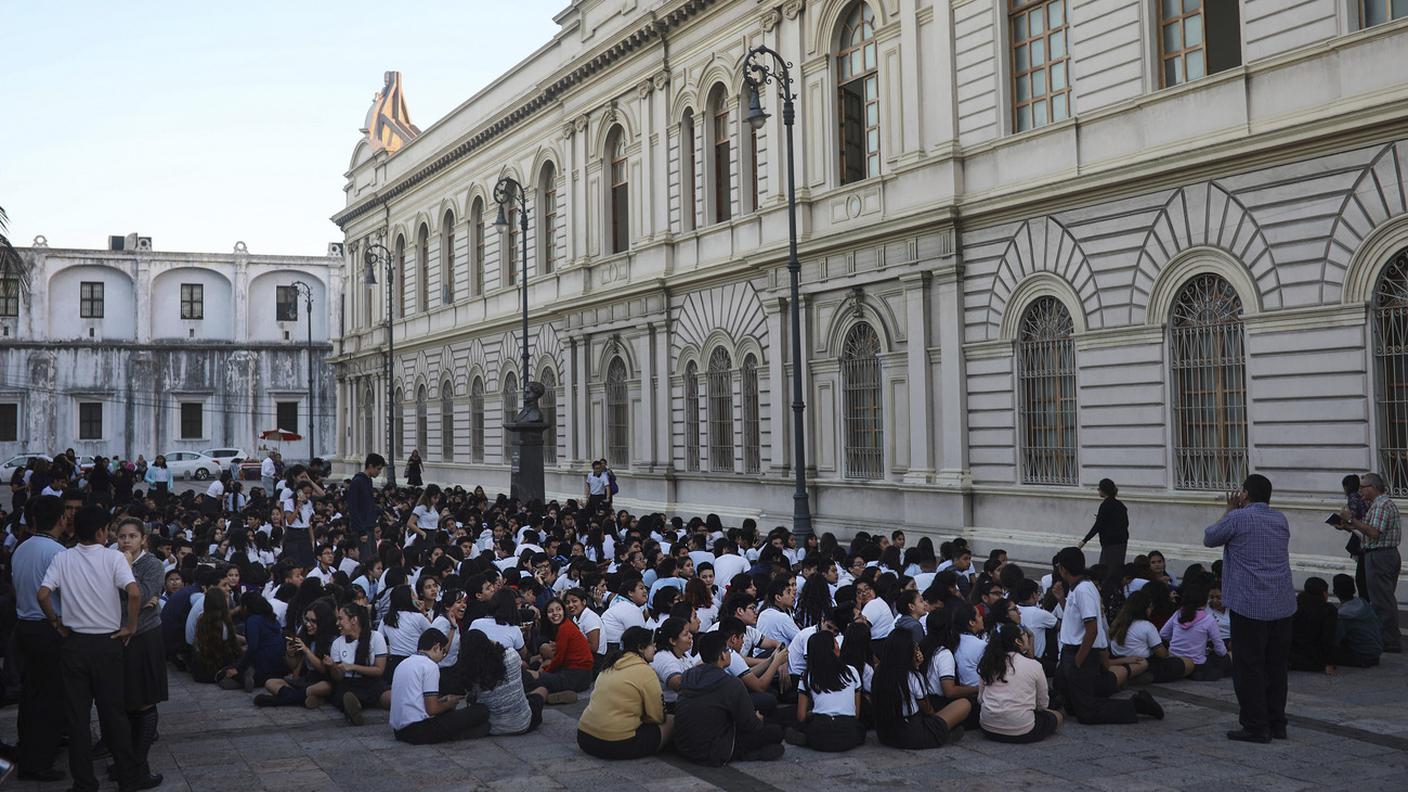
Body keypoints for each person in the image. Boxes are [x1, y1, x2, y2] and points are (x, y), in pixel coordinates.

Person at [37, 506, 162, 792]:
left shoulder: (62, 557)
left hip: (75, 644)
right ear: (100, 532)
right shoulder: (114, 557)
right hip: (108, 644)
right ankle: (129, 779)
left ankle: (84, 783)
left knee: (78, 719)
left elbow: (43, 594)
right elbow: (134, 592)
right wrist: (130, 626)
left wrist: (56, 622)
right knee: (114, 715)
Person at [1204, 474, 1297, 743]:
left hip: (1250, 604)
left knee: (1249, 667)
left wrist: (1229, 510)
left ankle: (1256, 726)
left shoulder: (1238, 518)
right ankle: (1277, 722)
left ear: (1245, 494)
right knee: (1276, 667)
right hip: (1281, 603)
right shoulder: (1280, 519)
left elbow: (1210, 537)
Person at [1053, 547, 1162, 725]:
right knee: (1070, 702)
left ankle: (1136, 705)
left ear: (1063, 569)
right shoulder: (1076, 588)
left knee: (1087, 712)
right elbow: (1075, 620)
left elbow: (1092, 628)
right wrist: (1061, 600)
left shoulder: (1084, 590)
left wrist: (1078, 661)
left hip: (1080, 653)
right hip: (1070, 652)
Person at [12, 495, 71, 782]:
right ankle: (37, 762)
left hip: (25, 626)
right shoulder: (57, 552)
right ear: (61, 519)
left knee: (32, 693)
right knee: (49, 697)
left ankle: (30, 748)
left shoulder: (22, 548)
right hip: (48, 628)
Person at [673, 630, 785, 765]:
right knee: (775, 731)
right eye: (728, 650)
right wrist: (758, 719)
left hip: (683, 746)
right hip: (714, 751)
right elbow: (750, 725)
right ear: (722, 656)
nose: (730, 653)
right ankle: (748, 753)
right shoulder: (730, 683)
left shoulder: (688, 675)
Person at [114, 517, 168, 781]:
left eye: (132, 536)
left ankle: (138, 766)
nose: (126, 541)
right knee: (123, 703)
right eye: (122, 536)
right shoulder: (110, 559)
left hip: (145, 636)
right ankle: (125, 762)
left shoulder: (153, 564)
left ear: (143, 539)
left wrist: (126, 570)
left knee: (145, 701)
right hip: (117, 635)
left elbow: (145, 595)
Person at [577, 626, 671, 759]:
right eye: (652, 644)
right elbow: (657, 716)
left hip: (585, 737)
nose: (655, 648)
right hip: (615, 743)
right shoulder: (644, 670)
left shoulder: (610, 664)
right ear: (641, 648)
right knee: (672, 721)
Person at [1337, 472, 1402, 653]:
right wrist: (1348, 526)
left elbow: (1373, 533)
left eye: (1363, 487)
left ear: (1373, 487)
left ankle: (1389, 641)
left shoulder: (1381, 505)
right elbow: (1367, 530)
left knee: (1382, 601)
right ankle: (1387, 638)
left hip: (1380, 556)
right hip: (1382, 554)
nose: (1360, 491)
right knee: (1382, 598)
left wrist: (1351, 519)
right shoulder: (1377, 505)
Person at [390, 629, 492, 744]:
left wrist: (442, 701)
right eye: (443, 652)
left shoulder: (404, 663)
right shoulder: (430, 666)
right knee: (481, 711)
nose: (442, 657)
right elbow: (432, 710)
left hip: (399, 731)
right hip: (418, 730)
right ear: (436, 647)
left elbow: (416, 700)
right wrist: (449, 703)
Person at [871, 629, 968, 749]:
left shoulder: (878, 674)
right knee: (964, 704)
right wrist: (916, 669)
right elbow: (928, 710)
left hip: (887, 735)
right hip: (913, 734)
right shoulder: (911, 676)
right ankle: (942, 733)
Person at [977, 623, 1063, 743]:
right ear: (1018, 641)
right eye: (1025, 634)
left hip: (988, 728)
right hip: (1022, 730)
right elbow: (1042, 705)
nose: (1028, 636)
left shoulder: (989, 663)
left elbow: (981, 699)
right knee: (1058, 716)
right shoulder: (1034, 665)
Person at [786, 630, 866, 752]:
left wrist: (813, 712)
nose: (838, 645)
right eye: (835, 642)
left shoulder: (808, 675)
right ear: (832, 649)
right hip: (849, 734)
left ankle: (804, 738)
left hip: (819, 735)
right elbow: (856, 713)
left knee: (795, 724)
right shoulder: (852, 671)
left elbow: (801, 716)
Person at [459, 630, 545, 735]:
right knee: (542, 690)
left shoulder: (471, 672)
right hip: (522, 723)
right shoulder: (511, 655)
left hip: (493, 726)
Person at [327, 603, 391, 726]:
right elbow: (338, 677)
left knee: (390, 698)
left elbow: (379, 670)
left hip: (372, 682)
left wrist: (353, 667)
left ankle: (370, 703)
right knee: (346, 695)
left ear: (354, 620)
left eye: (341, 619)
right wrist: (332, 667)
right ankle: (355, 708)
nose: (337, 623)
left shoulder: (376, 637)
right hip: (349, 683)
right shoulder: (337, 643)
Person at [1159, 584, 1229, 680]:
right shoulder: (1209, 619)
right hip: (1197, 663)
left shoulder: (1178, 613)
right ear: (1205, 602)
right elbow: (1220, 650)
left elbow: (1163, 634)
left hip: (1174, 659)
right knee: (1226, 659)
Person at [1288, 578, 1337, 675]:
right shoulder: (1328, 610)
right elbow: (1328, 638)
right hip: (1314, 660)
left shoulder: (1294, 604)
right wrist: (1329, 662)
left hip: (1291, 655)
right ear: (1323, 593)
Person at [1331, 573, 1381, 667]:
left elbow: (1336, 639)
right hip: (1375, 652)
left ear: (1335, 591)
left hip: (1362, 656)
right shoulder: (1363, 604)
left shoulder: (1343, 615)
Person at [1080, 478, 1129, 570]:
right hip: (1122, 541)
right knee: (1117, 568)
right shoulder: (1120, 505)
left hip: (1110, 543)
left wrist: (1084, 540)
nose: (1098, 491)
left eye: (1099, 489)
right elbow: (1125, 523)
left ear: (1103, 490)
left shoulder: (1105, 505)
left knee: (1106, 570)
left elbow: (1098, 525)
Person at [349, 454, 384, 562]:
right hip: (362, 529)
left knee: (372, 559)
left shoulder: (368, 480)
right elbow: (353, 508)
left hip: (370, 527)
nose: (379, 472)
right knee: (365, 560)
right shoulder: (357, 481)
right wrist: (361, 531)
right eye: (378, 469)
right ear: (370, 466)